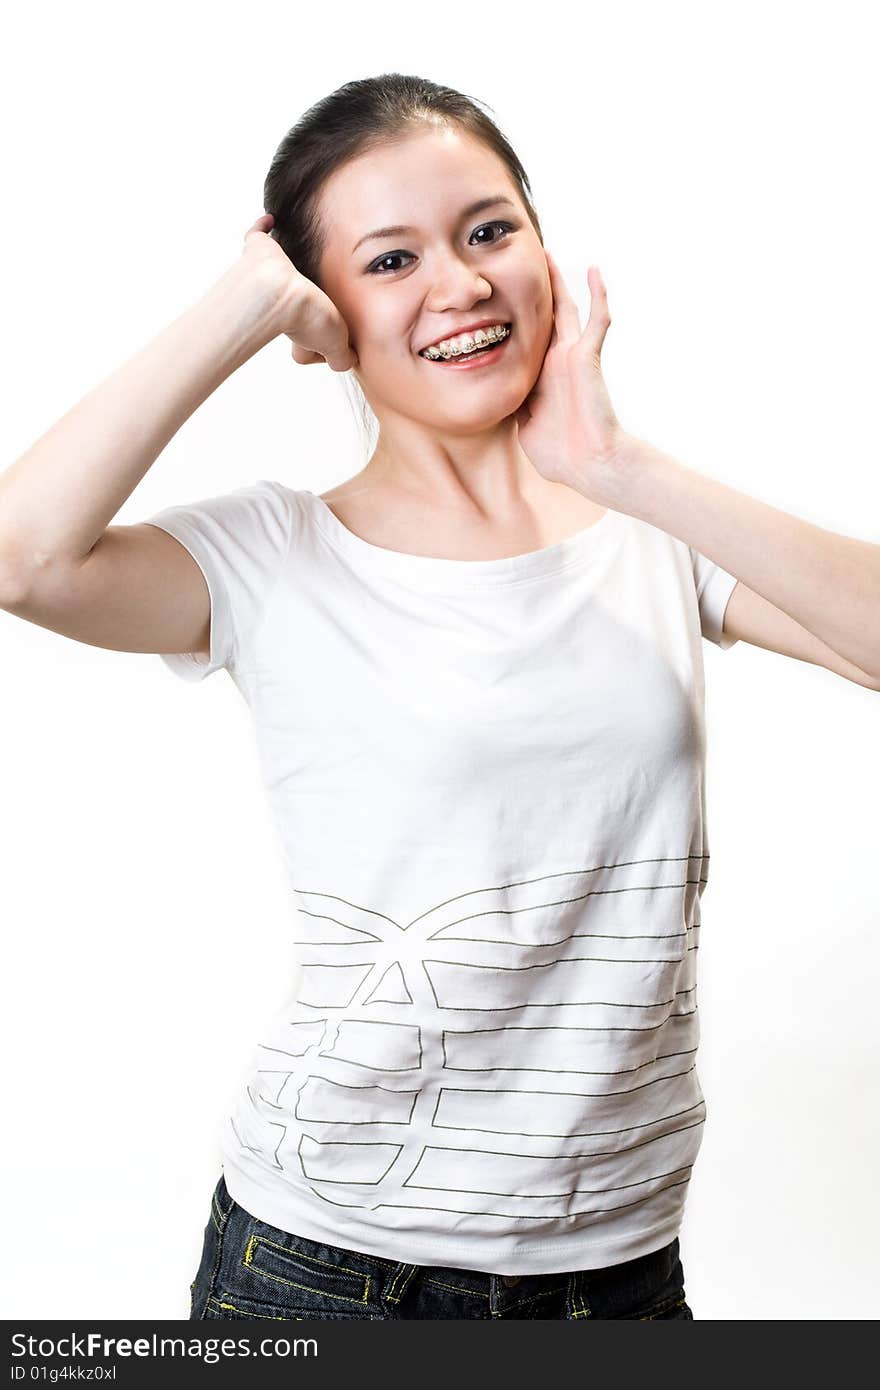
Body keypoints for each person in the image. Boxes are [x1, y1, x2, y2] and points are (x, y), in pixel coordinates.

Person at [2, 73, 877, 1324]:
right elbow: (21, 557)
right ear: (326, 314)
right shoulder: (272, 556)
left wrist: (616, 465)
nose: (460, 286)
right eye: (390, 259)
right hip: (329, 1270)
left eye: (488, 231)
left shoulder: (648, 533)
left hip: (619, 1268)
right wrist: (242, 300)